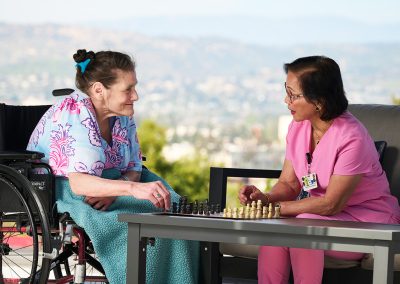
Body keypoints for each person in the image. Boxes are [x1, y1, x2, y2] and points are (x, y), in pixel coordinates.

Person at [27, 49, 199, 284]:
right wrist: (126, 189)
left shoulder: (122, 114)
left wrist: (119, 186)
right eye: (128, 89)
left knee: (176, 208)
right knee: (146, 223)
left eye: (134, 87)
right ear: (99, 90)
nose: (135, 95)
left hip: (115, 183)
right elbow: (79, 182)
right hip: (66, 190)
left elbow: (135, 166)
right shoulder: (75, 113)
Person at [238, 55, 400, 284]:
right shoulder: (297, 127)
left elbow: (331, 204)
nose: (286, 100)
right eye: (287, 90)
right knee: (276, 233)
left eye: (293, 95)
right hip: (317, 217)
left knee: (303, 227)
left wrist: (276, 208)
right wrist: (265, 198)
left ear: (320, 101)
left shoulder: (352, 138)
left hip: (368, 221)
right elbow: (289, 184)